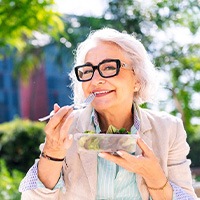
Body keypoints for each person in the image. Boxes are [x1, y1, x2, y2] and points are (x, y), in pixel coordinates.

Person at [19, 27, 197, 200]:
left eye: (110, 67)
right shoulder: (66, 129)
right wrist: (53, 152)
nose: (96, 80)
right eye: (88, 71)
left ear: (137, 79)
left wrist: (153, 176)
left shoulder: (168, 129)